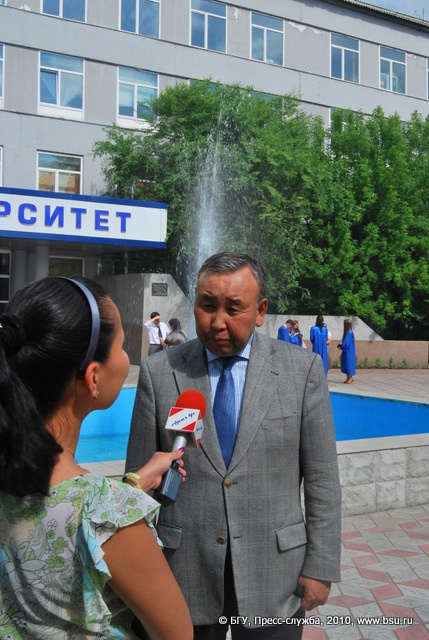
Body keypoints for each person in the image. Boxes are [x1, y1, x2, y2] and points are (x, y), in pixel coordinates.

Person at [126, 252, 341, 640]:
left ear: (260, 311)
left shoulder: (302, 371)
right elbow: (139, 483)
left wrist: (321, 565)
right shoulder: (161, 373)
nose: (217, 321)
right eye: (207, 306)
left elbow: (323, 481)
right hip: (183, 571)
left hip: (274, 575)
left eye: (233, 308)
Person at [0, 276, 193, 640]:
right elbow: (177, 634)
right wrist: (119, 504)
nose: (126, 357)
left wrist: (132, 485)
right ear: (93, 377)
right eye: (121, 346)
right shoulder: (110, 517)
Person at [337, 318, 356, 384]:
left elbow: (346, 343)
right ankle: (348, 377)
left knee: (348, 364)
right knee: (346, 363)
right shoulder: (349, 332)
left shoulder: (349, 333)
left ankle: (350, 378)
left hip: (349, 351)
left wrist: (342, 347)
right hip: (347, 351)